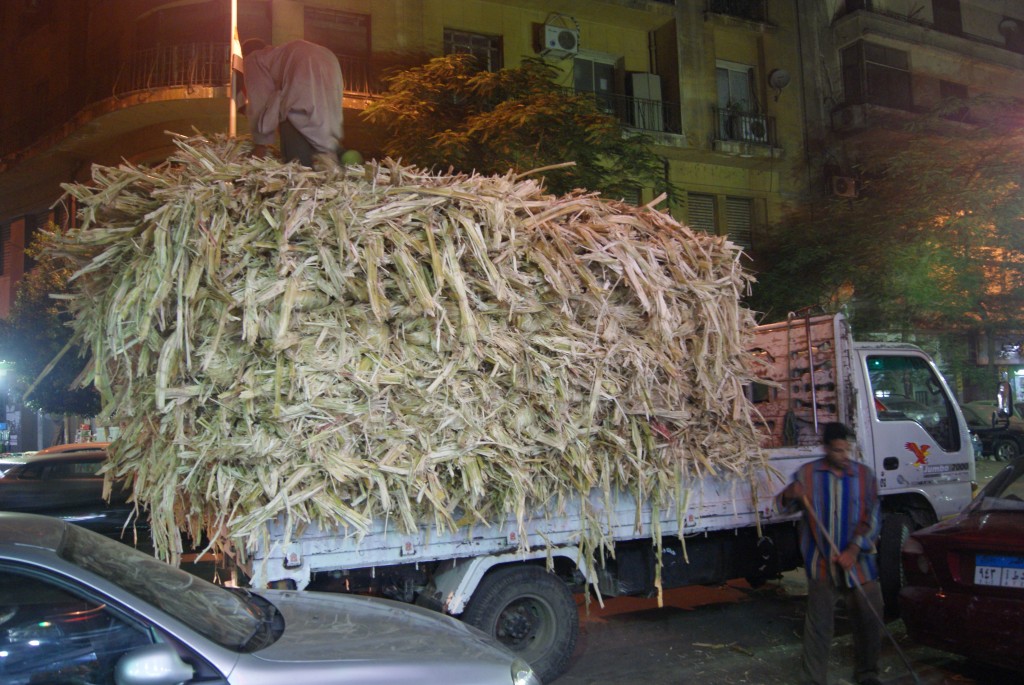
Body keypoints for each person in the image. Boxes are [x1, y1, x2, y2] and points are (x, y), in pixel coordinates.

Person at [776, 421, 883, 685]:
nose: (844, 457)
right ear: (826, 449)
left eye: (847, 450)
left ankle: (867, 674)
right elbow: (783, 507)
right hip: (822, 565)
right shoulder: (808, 475)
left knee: (870, 621)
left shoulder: (864, 477)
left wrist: (854, 548)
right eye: (838, 451)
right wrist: (791, 493)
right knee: (818, 629)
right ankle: (812, 681)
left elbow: (874, 518)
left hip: (860, 565)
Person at [240, 39, 343, 169]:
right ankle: (335, 161)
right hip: (330, 59)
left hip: (304, 62)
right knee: (323, 118)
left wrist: (260, 145)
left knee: (294, 115)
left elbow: (259, 100)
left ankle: (302, 170)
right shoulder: (277, 55)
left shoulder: (254, 58)